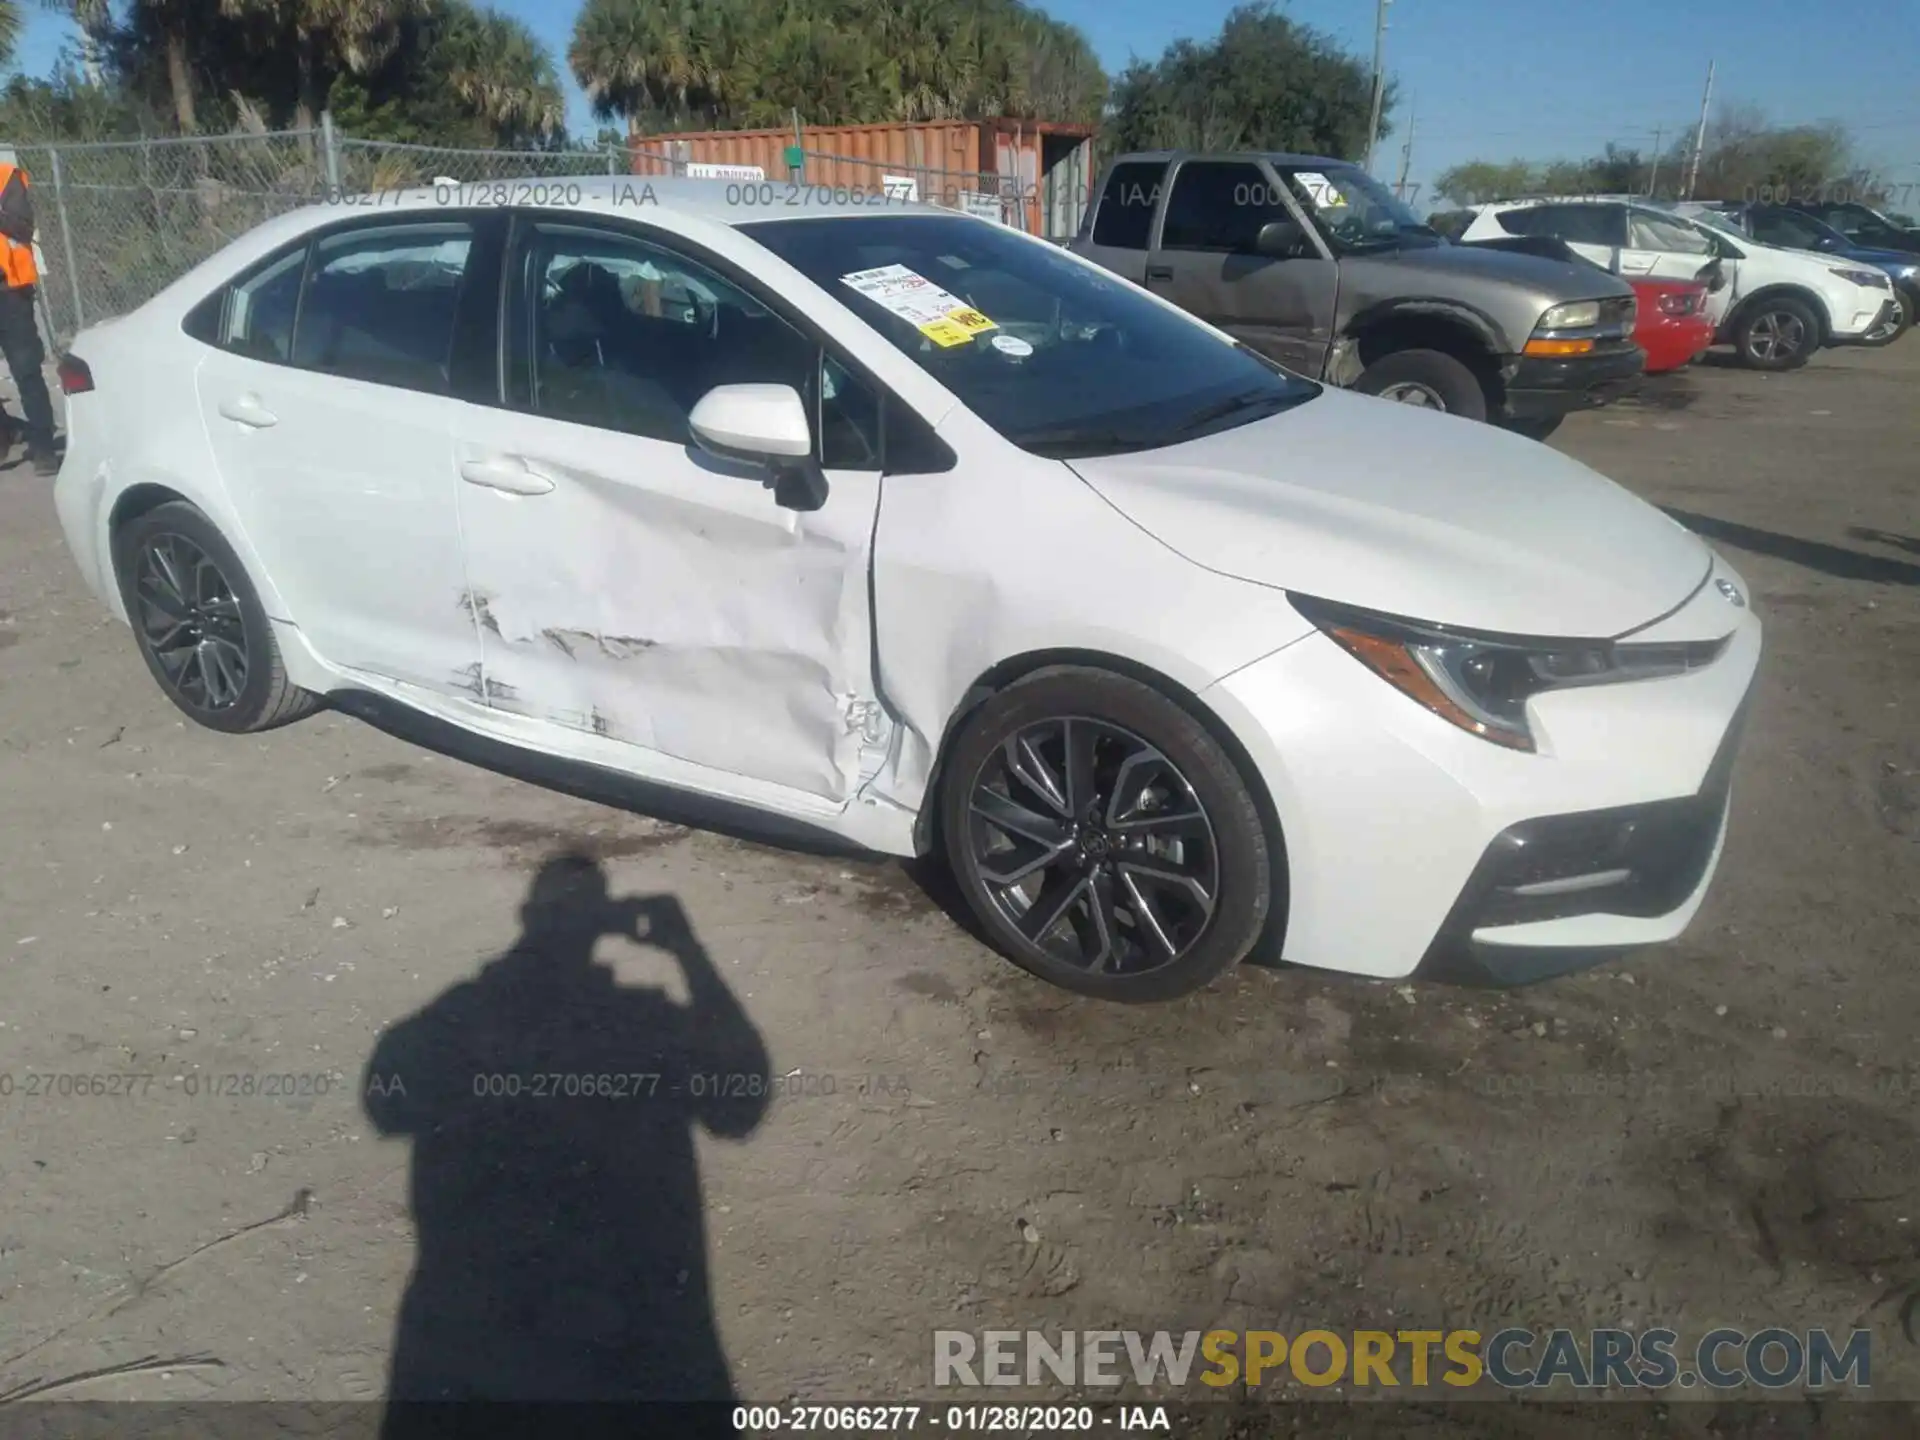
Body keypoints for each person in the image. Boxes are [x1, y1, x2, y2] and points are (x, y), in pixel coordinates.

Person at [0, 159, 59, 475]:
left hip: (9, 293)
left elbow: (22, 226)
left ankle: (43, 445)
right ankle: (5, 431)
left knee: (26, 371)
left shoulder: (7, 178)